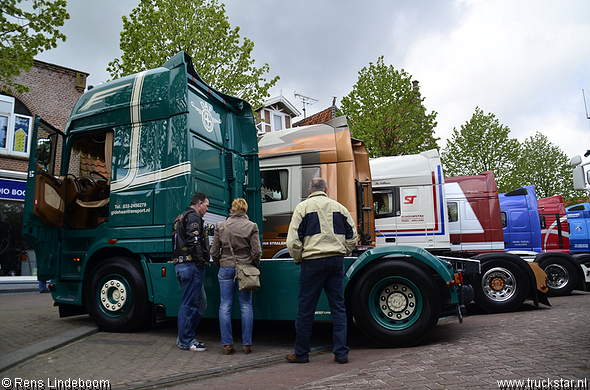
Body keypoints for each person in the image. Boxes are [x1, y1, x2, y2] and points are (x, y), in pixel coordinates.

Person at [285, 177, 357, 364]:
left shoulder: (303, 208)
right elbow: (352, 236)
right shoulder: (340, 208)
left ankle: (301, 354)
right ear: (326, 190)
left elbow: (292, 241)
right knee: (338, 308)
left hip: (312, 262)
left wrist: (299, 257)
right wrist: (343, 251)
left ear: (309, 191)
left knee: (306, 310)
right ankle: (341, 353)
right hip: (336, 261)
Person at [210, 198, 262, 355]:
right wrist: (251, 264)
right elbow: (257, 252)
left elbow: (213, 252)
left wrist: (221, 264)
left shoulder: (221, 225)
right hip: (245, 268)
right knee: (246, 305)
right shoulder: (252, 226)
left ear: (232, 210)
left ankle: (227, 344)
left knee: (225, 305)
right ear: (245, 211)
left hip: (226, 267)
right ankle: (246, 345)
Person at [174, 193, 210, 351]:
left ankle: (183, 336)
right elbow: (193, 241)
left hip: (181, 265)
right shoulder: (194, 217)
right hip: (191, 266)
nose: (207, 210)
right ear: (199, 203)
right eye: (207, 206)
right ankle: (187, 341)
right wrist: (201, 260)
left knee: (201, 303)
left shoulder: (179, 217)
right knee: (190, 304)